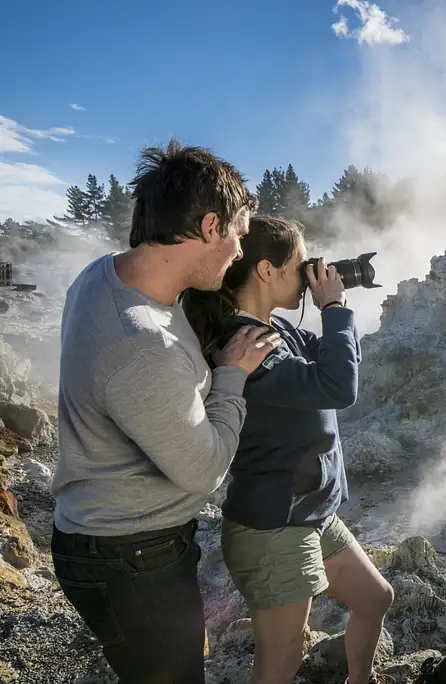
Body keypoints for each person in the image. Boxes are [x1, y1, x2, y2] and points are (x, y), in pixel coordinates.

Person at [49, 139, 283, 684]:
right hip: (130, 555)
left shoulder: (105, 273)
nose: (239, 253)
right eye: (238, 236)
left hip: (109, 542)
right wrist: (231, 375)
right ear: (208, 228)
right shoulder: (141, 345)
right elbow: (204, 470)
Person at [180, 215, 394, 684]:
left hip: (312, 514)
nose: (307, 272)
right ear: (266, 270)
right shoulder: (248, 343)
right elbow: (338, 386)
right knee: (279, 665)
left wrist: (334, 304)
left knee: (376, 598)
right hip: (275, 528)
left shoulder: (277, 329)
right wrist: (333, 306)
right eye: (300, 263)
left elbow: (338, 355)